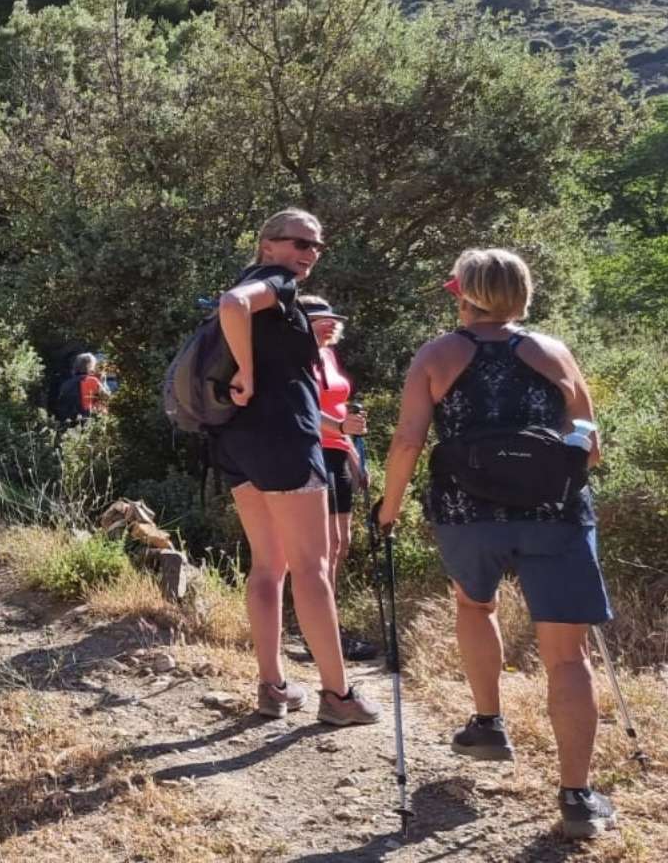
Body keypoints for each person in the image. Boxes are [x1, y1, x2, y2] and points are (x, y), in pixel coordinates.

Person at [377, 248, 616, 840]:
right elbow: (589, 444)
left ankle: (488, 722)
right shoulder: (553, 352)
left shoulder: (437, 355)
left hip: (466, 512)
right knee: (567, 656)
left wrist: (389, 507)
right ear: (521, 292)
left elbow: (409, 440)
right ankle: (577, 798)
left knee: (473, 605)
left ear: (462, 293)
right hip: (554, 514)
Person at [213, 209, 381, 725]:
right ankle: (338, 696)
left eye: (316, 246)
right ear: (267, 244)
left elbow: (237, 307)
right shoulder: (273, 283)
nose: (308, 253)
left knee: (268, 565)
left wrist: (250, 369)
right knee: (312, 568)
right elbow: (233, 305)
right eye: (298, 243)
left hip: (235, 438)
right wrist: (246, 369)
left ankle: (273, 687)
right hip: (285, 439)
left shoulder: (256, 284)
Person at [297, 295, 377, 661]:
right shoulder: (296, 356)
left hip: (338, 452)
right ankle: (318, 632)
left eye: (332, 318)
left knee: (340, 543)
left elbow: (340, 408)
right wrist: (341, 427)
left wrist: (355, 455)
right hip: (309, 451)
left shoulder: (328, 354)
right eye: (320, 319)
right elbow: (304, 408)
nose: (331, 324)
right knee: (322, 547)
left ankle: (328, 624)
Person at [56, 353, 109, 422]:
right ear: (90, 366)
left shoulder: (66, 383)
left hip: (70, 420)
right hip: (89, 419)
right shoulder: (93, 381)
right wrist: (103, 382)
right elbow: (107, 398)